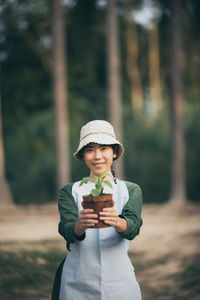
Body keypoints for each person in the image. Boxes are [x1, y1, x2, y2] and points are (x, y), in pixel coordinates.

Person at [52, 120, 143, 300]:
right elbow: (66, 228)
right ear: (83, 155)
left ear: (114, 152)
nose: (97, 156)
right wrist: (81, 225)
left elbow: (133, 227)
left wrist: (118, 221)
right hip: (77, 280)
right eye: (90, 149)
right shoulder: (70, 191)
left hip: (119, 280)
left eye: (104, 148)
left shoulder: (130, 190)